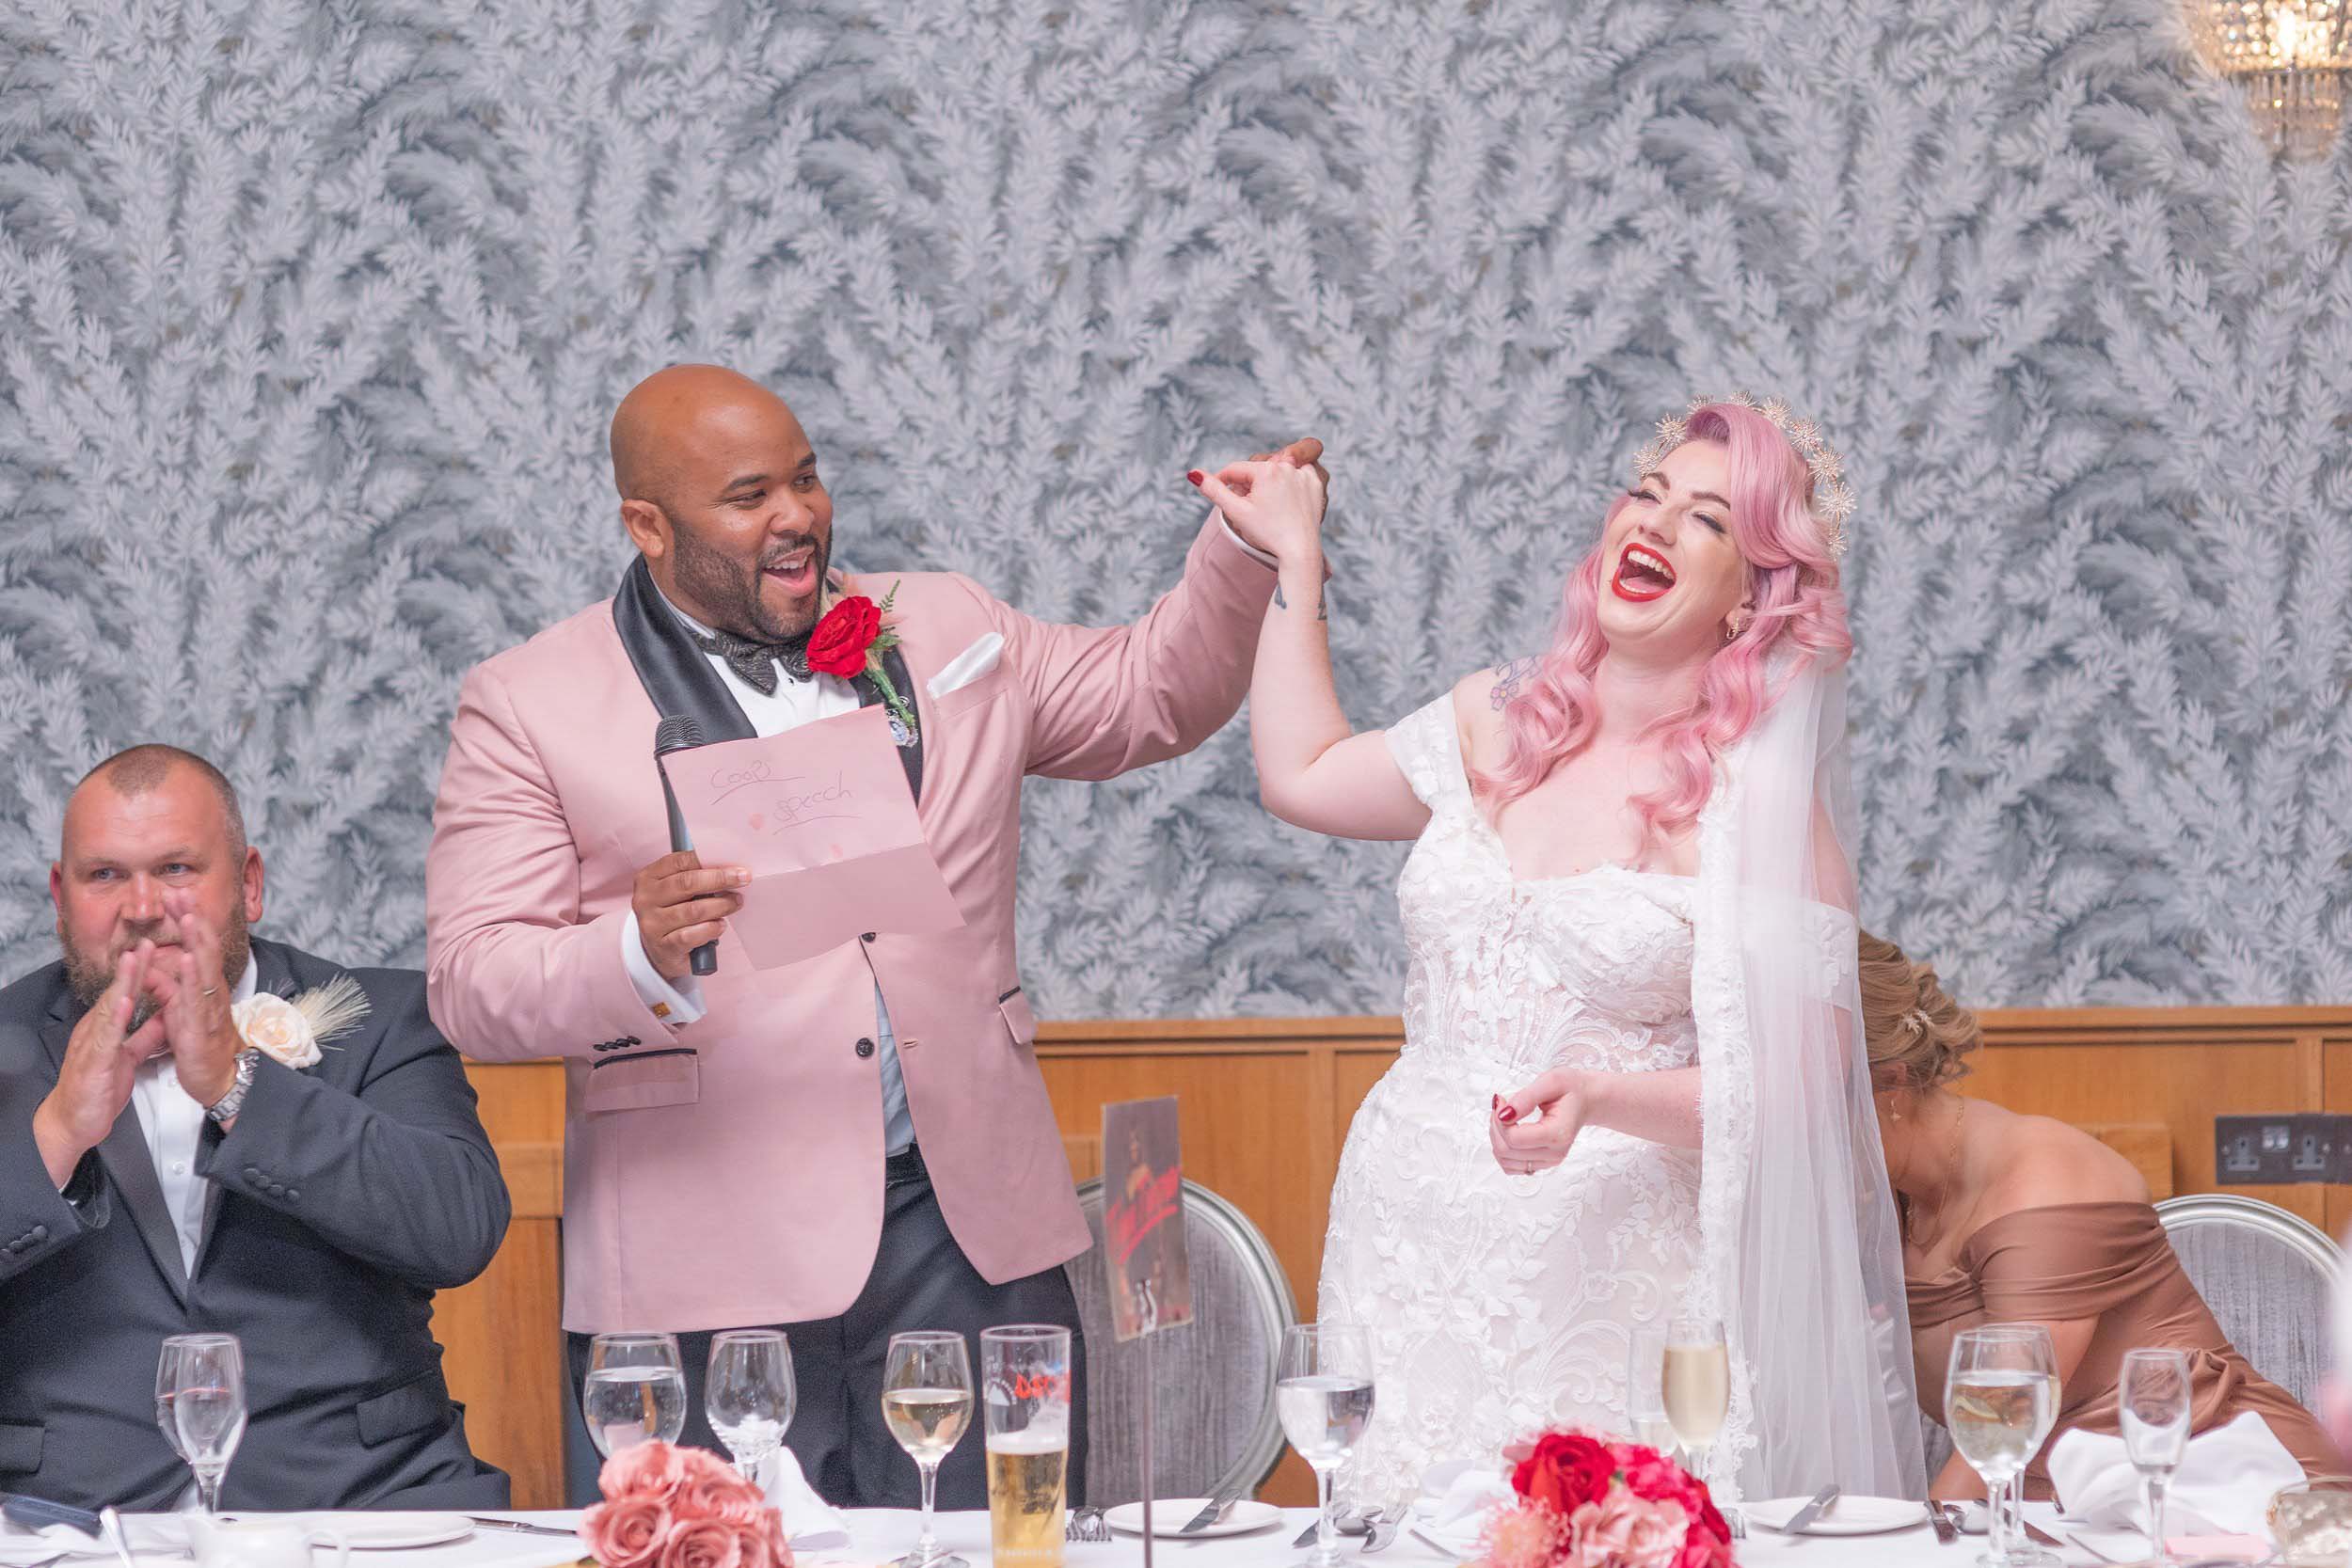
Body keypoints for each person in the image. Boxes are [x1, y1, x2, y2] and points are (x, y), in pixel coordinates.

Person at [425, 363, 1323, 1507]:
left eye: (804, 479)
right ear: (648, 525)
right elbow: (473, 979)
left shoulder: (949, 624)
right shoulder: (529, 699)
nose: (795, 515)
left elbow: (1154, 692)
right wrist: (634, 949)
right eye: (748, 496)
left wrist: (1240, 547)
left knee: (1008, 1545)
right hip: (706, 1259)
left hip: (968, 1237)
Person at [1200, 396, 1922, 1505]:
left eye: (1707, 520)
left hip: (1607, 1278)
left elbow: (1798, 1089)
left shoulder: (1762, 813)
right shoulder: (1493, 719)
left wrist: (1598, 1095)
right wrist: (1293, 555)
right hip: (1405, 1243)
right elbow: (1300, 773)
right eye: (1646, 493)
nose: (1655, 522)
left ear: (1749, 597)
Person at [0, 746, 510, 1510]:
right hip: (73, 1517)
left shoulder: (383, 1016)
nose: (142, 906)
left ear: (249, 883)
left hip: (360, 1504)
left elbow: (458, 1228)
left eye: (176, 868)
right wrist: (56, 1135)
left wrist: (240, 1088)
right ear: (60, 895)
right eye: (104, 874)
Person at [1860, 930, 2346, 1498]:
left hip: (2216, 1490)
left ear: (1892, 1084)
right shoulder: (1891, 1200)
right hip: (2060, 1512)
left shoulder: (2042, 1183)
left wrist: (1920, 1538)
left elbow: (2001, 1426)